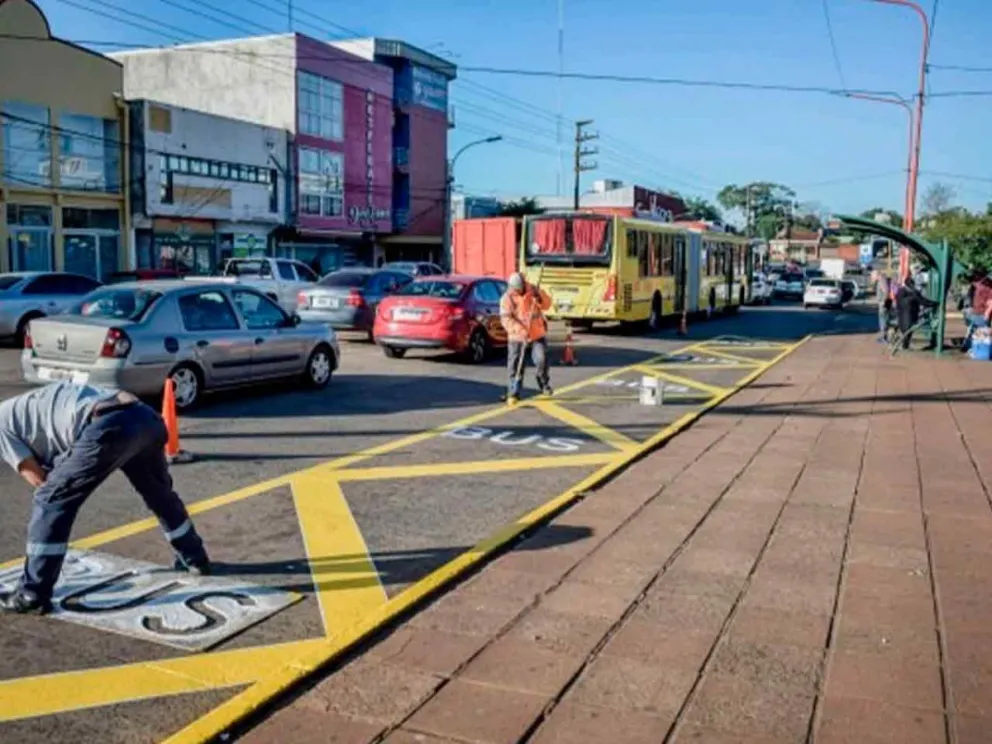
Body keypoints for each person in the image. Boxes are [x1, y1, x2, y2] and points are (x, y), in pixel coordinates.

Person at [0, 383, 210, 615]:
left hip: (106, 426)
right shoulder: (21, 408)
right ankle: (194, 557)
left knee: (50, 499)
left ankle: (33, 593)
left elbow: (39, 479)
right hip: (145, 417)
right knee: (159, 494)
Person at [500, 272, 553, 404]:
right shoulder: (507, 298)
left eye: (521, 287)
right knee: (515, 364)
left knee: (542, 359)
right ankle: (514, 391)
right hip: (517, 336)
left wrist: (539, 297)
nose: (519, 290)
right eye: (516, 288)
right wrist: (520, 330)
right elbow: (506, 319)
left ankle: (543, 382)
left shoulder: (533, 290)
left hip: (536, 333)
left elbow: (547, 304)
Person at [874, 272, 893, 343]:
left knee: (883, 321)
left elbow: (886, 291)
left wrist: (883, 301)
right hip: (885, 304)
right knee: (884, 320)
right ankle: (884, 337)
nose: (872, 278)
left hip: (884, 305)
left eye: (873, 276)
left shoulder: (882, 281)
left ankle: (884, 338)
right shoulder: (883, 280)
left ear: (877, 275)